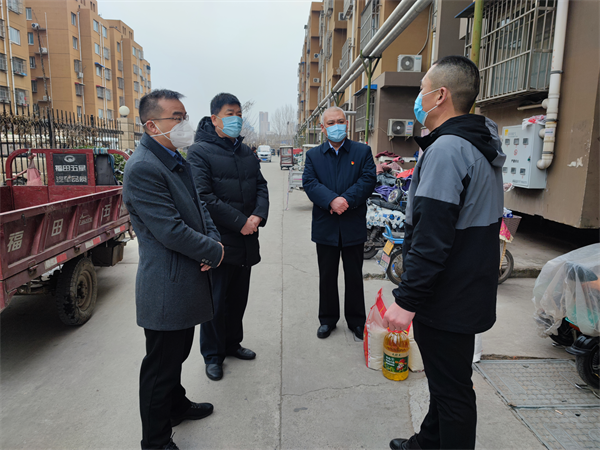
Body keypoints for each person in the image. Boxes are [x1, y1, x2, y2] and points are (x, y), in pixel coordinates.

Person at [383, 56, 506, 450]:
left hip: (447, 295)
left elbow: (431, 236)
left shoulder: (448, 149)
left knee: (453, 394)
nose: (417, 98)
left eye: (422, 89)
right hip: (467, 287)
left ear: (440, 96)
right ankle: (426, 443)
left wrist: (407, 299)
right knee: (445, 380)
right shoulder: (477, 144)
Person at [123, 89, 225, 450]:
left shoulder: (174, 159)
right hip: (166, 285)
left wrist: (214, 243)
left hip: (186, 279)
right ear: (152, 126)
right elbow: (170, 230)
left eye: (184, 116)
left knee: (177, 354)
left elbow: (200, 210)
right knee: (160, 366)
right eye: (176, 118)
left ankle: (176, 406)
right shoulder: (144, 168)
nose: (184, 124)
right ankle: (155, 441)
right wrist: (214, 251)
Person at [187, 93, 269, 381]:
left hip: (246, 239)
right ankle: (213, 355)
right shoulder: (199, 152)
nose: (236, 119)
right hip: (218, 242)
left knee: (237, 299)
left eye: (239, 114)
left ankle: (233, 343)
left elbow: (261, 185)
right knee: (216, 302)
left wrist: (257, 216)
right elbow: (203, 197)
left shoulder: (245, 151)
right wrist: (240, 222)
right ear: (215, 118)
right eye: (229, 114)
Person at [302, 106, 377, 340]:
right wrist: (331, 201)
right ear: (323, 128)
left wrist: (346, 200)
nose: (337, 126)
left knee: (354, 275)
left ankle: (356, 321)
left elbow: (368, 180)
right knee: (327, 276)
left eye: (340, 121)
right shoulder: (314, 156)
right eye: (331, 123)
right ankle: (327, 319)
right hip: (326, 226)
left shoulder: (362, 151)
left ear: (347, 123)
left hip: (352, 224)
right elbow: (310, 183)